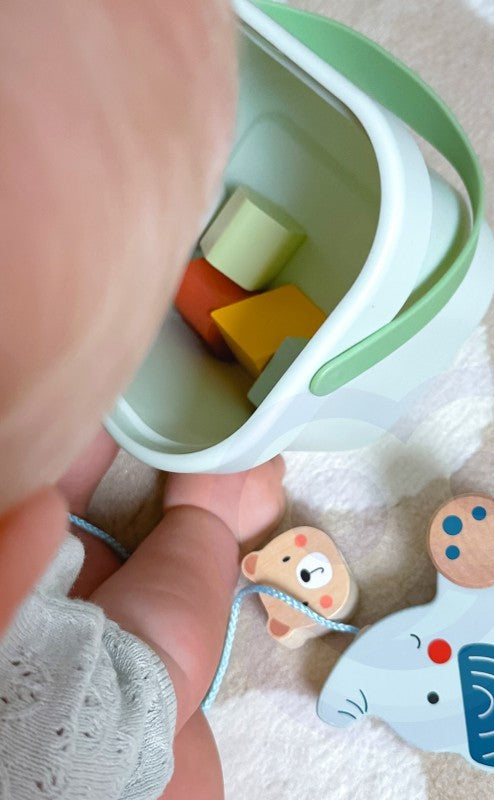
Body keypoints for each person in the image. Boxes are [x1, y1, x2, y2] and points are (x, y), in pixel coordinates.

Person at [0, 1, 286, 797]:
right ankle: (211, 514)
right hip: (50, 757)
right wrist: (204, 521)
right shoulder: (52, 744)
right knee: (158, 682)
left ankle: (54, 454)